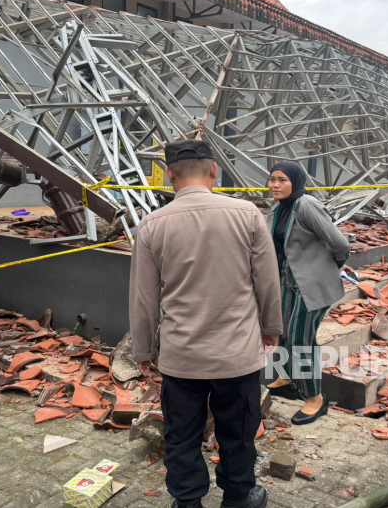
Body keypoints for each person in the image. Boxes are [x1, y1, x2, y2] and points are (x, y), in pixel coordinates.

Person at [130, 140, 282, 508]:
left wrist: (144, 350)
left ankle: (187, 502)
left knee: (181, 434)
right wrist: (270, 328)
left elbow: (143, 297)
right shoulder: (248, 215)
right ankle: (238, 497)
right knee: (238, 433)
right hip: (237, 354)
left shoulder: (151, 225)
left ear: (169, 175)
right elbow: (268, 282)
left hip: (182, 357)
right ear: (214, 170)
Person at [263, 161, 351, 425]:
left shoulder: (306, 205)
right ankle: (287, 377)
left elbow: (339, 243)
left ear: (296, 182)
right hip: (287, 282)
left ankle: (315, 398)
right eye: (272, 179)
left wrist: (330, 266)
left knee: (301, 338)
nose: (275, 185)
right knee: (283, 332)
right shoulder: (278, 209)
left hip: (310, 284)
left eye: (282, 180)